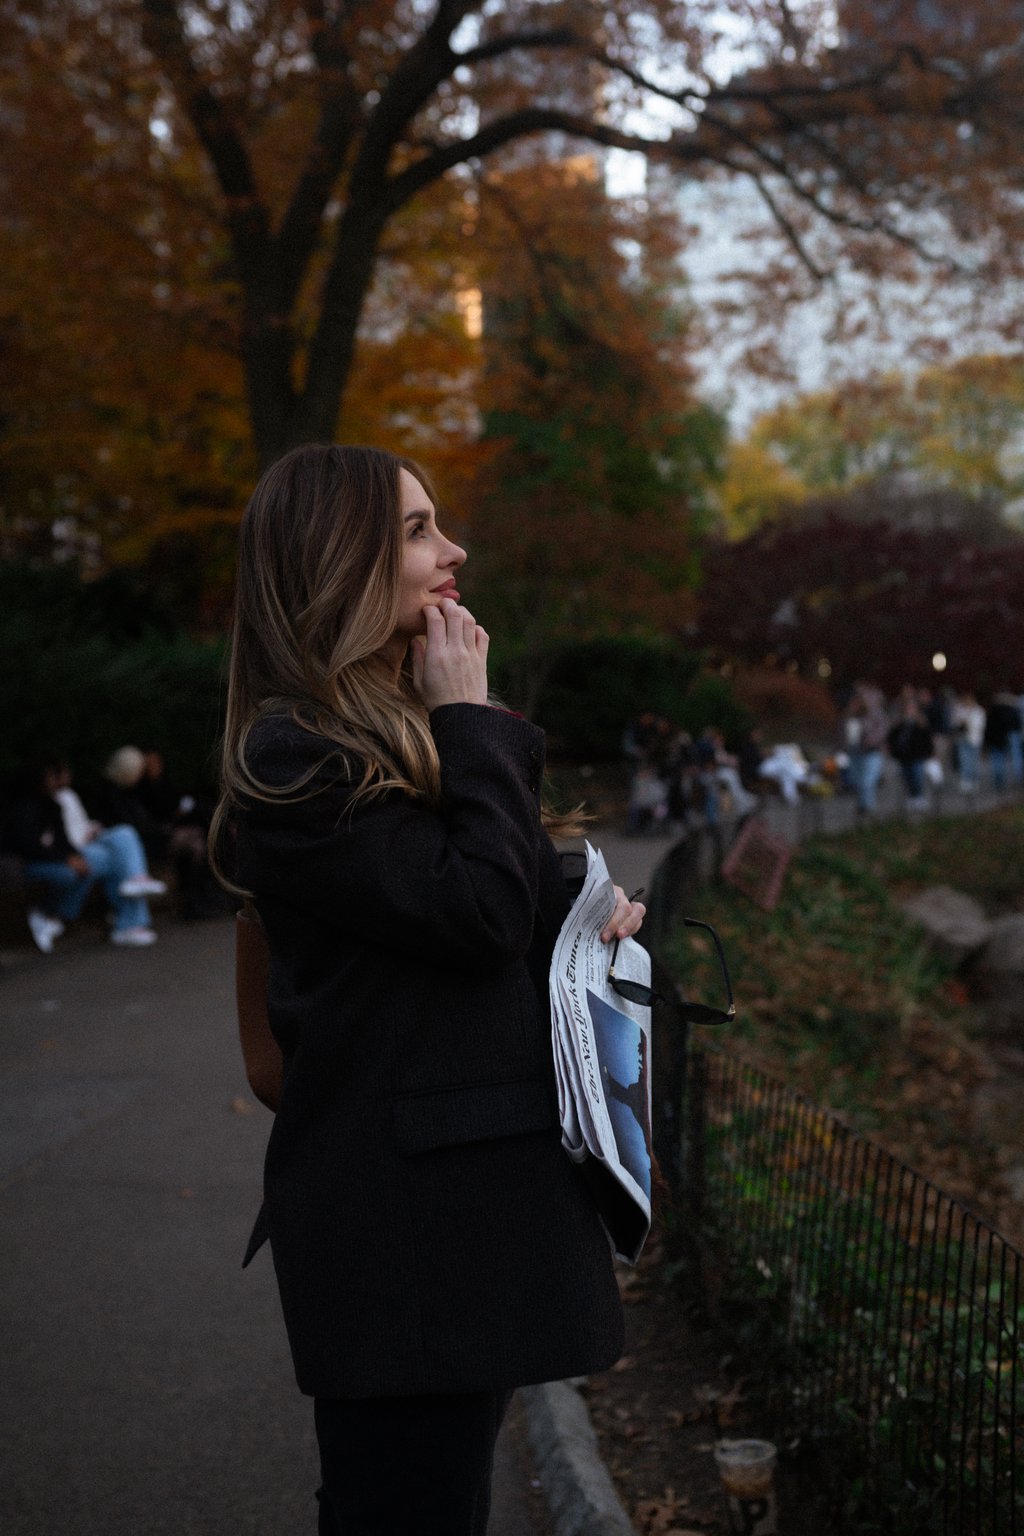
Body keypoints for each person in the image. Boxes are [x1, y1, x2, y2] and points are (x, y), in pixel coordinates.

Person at [212, 444, 644, 1535]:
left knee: (418, 1502)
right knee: (403, 1509)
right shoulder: (298, 760)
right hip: (405, 1240)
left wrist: (589, 919)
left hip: (457, 1223)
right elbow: (473, 914)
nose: (450, 551)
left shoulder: (379, 738)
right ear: (336, 559)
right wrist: (471, 717)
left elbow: (477, 927)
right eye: (415, 529)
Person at [1, 759, 165, 950]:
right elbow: (30, 846)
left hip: (60, 854)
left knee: (117, 846)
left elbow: (62, 840)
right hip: (29, 862)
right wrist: (69, 857)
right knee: (96, 865)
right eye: (52, 776)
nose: (57, 779)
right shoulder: (26, 807)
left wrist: (72, 855)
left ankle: (131, 908)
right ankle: (53, 914)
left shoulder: (53, 804)